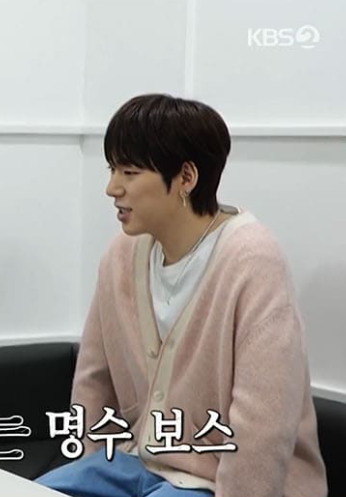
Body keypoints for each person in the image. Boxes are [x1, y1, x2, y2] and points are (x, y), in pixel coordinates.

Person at [35, 94, 327, 497]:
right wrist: (88, 465)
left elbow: (264, 422)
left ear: (186, 177)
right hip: (133, 463)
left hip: (217, 480)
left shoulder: (252, 261)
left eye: (129, 172)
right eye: (112, 169)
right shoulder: (122, 255)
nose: (112, 188)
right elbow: (93, 380)